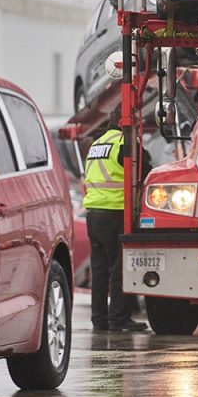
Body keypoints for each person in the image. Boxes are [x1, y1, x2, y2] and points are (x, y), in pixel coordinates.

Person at [83, 106, 150, 332]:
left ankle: (99, 319)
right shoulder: (124, 143)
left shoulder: (96, 145)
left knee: (100, 270)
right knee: (118, 269)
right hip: (116, 211)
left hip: (93, 213)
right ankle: (118, 319)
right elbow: (145, 168)